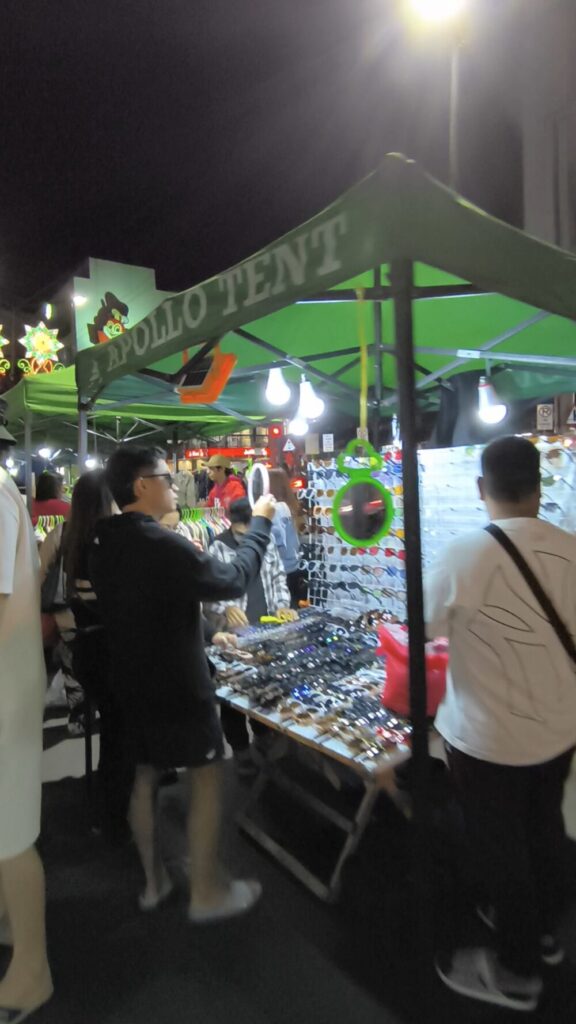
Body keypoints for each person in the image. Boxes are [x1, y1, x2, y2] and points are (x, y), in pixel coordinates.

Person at [90, 445, 276, 920]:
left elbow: (153, 604)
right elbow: (234, 579)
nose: (175, 485)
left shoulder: (104, 543)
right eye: (166, 477)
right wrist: (261, 523)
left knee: (144, 777)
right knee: (207, 775)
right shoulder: (162, 544)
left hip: (131, 681)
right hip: (179, 686)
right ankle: (207, 894)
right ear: (141, 485)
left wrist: (210, 632)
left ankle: (154, 884)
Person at [425, 435, 576, 1013]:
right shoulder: (570, 548)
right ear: (539, 485)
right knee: (545, 830)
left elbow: (425, 630)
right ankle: (542, 935)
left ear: (481, 487)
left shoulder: (463, 554)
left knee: (501, 850)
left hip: (487, 740)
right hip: (560, 731)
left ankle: (517, 971)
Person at [0, 465, 53, 1021]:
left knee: (9, 831)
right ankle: (11, 924)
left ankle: (31, 970)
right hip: (9, 681)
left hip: (5, 689)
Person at [204, 497, 296, 774]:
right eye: (240, 533)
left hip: (266, 628)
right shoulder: (218, 546)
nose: (247, 540)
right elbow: (208, 594)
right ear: (232, 524)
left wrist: (282, 605)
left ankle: (263, 737)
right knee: (233, 695)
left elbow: (278, 577)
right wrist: (226, 607)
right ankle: (240, 750)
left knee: (265, 685)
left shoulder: (266, 540)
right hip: (233, 635)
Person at [268, 467, 305, 608]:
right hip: (292, 565)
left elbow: (276, 541)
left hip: (281, 569)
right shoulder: (289, 506)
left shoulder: (276, 509)